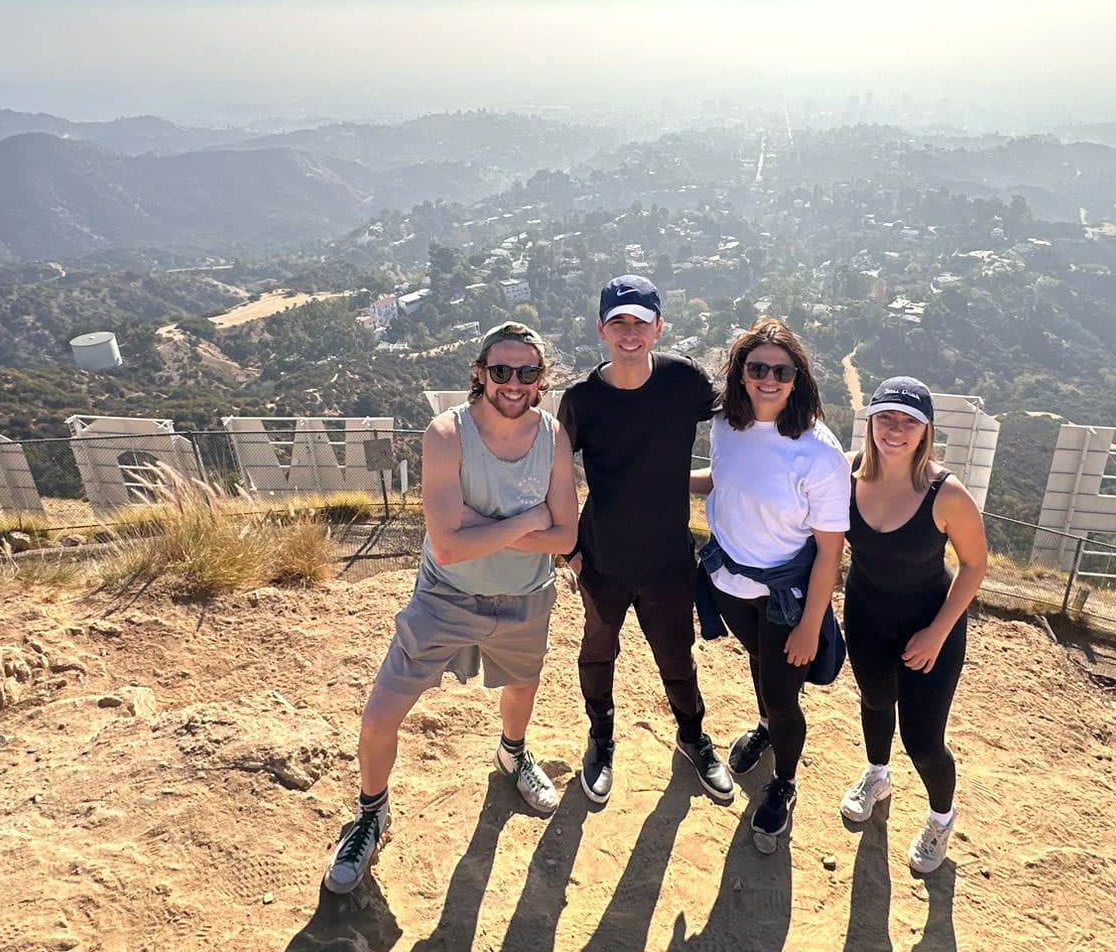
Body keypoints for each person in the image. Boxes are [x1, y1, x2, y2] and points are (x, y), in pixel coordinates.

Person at [323, 322, 579, 895]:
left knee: (521, 685)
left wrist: (487, 530)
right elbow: (448, 545)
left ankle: (512, 755)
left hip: (525, 596)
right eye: (501, 371)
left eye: (527, 372)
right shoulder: (446, 434)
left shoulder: (555, 436)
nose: (513, 383)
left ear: (542, 380)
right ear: (480, 374)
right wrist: (528, 521)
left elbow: (565, 538)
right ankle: (371, 813)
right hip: (445, 596)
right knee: (380, 714)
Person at [558, 275, 734, 806]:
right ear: (601, 329)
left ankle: (693, 736)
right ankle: (601, 739)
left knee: (676, 656)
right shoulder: (581, 400)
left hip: (667, 559)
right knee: (598, 649)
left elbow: (747, 419)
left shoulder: (685, 381)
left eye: (640, 322)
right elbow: (553, 475)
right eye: (618, 322)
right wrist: (565, 548)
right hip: (601, 558)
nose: (629, 332)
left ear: (659, 327)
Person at [690, 317, 850, 852]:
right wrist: (656, 476)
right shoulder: (724, 425)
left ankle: (784, 782)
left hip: (787, 597)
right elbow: (725, 479)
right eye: (756, 367)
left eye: (781, 370)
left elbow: (831, 549)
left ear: (797, 378)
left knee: (785, 698)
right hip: (731, 583)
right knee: (758, 664)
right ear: (739, 373)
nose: (768, 378)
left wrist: (810, 626)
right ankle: (763, 726)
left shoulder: (819, 452)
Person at [837, 376, 987, 876]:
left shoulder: (947, 494)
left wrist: (939, 632)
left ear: (926, 431)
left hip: (930, 625)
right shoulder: (847, 474)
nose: (895, 430)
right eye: (886, 418)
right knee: (875, 701)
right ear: (871, 422)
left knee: (923, 741)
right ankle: (877, 776)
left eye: (909, 421)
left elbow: (973, 565)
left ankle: (941, 819)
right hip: (865, 613)